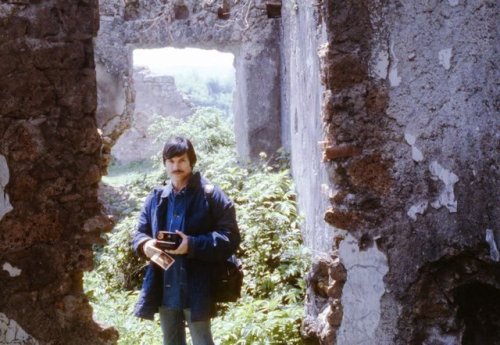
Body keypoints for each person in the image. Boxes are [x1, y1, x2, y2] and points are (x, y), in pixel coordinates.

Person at [132, 136, 240, 345]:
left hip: (197, 287)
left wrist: (191, 244)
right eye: (171, 161)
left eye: (181, 160)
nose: (176, 166)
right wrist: (146, 245)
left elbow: (231, 237)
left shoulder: (211, 195)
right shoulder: (156, 197)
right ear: (164, 163)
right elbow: (139, 233)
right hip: (165, 285)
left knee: (202, 341)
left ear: (191, 161)